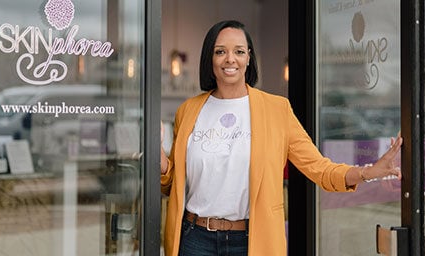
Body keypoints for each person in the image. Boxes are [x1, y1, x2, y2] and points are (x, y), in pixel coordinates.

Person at [160, 20, 402, 256]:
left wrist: (367, 172)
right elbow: (173, 182)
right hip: (195, 239)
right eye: (220, 51)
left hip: (252, 239)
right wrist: (156, 152)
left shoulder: (277, 110)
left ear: (248, 58)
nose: (230, 59)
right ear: (210, 59)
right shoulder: (189, 111)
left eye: (239, 51)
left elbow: (320, 168)